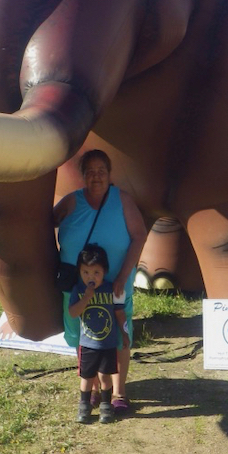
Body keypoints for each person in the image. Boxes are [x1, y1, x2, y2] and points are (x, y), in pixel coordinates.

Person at [54, 149, 147, 413]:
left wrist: (121, 276)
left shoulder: (123, 200)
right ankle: (92, 389)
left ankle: (118, 393)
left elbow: (139, 236)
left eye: (101, 171)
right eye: (91, 172)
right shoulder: (71, 201)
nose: (96, 177)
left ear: (109, 174)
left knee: (119, 335)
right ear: (83, 175)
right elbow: (44, 222)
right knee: (81, 335)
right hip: (76, 286)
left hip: (115, 286)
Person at [68, 245, 129, 424]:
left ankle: (105, 406)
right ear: (79, 271)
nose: (90, 277)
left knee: (105, 376)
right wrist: (86, 297)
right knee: (86, 377)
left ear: (105, 271)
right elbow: (73, 313)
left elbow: (120, 313)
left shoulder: (113, 290)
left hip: (108, 345)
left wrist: (124, 333)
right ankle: (84, 406)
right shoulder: (78, 290)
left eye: (96, 272)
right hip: (87, 345)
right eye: (85, 272)